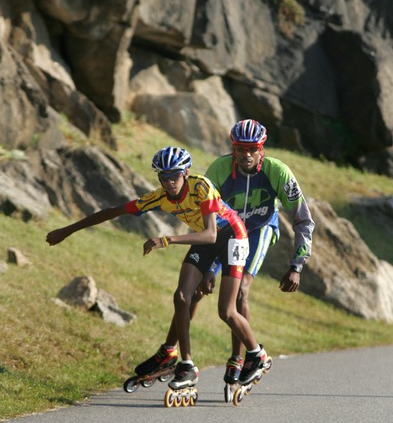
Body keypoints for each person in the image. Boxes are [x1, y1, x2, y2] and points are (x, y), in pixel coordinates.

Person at [46, 146, 268, 390]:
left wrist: (166, 240)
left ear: (185, 172)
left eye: (175, 176)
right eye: (164, 177)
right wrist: (66, 231)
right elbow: (114, 211)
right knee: (182, 296)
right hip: (205, 239)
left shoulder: (201, 186)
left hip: (232, 235)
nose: (170, 182)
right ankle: (185, 364)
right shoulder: (160, 196)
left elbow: (211, 234)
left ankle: (257, 354)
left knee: (226, 311)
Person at [145, 120, 315, 388]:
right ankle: (170, 351)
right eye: (240, 148)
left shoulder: (278, 171)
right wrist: (209, 270)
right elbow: (205, 217)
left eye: (252, 148)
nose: (246, 154)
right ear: (232, 148)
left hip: (259, 230)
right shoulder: (219, 168)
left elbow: (304, 220)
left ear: (262, 149)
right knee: (196, 290)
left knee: (240, 292)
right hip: (224, 232)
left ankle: (240, 358)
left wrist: (297, 265)